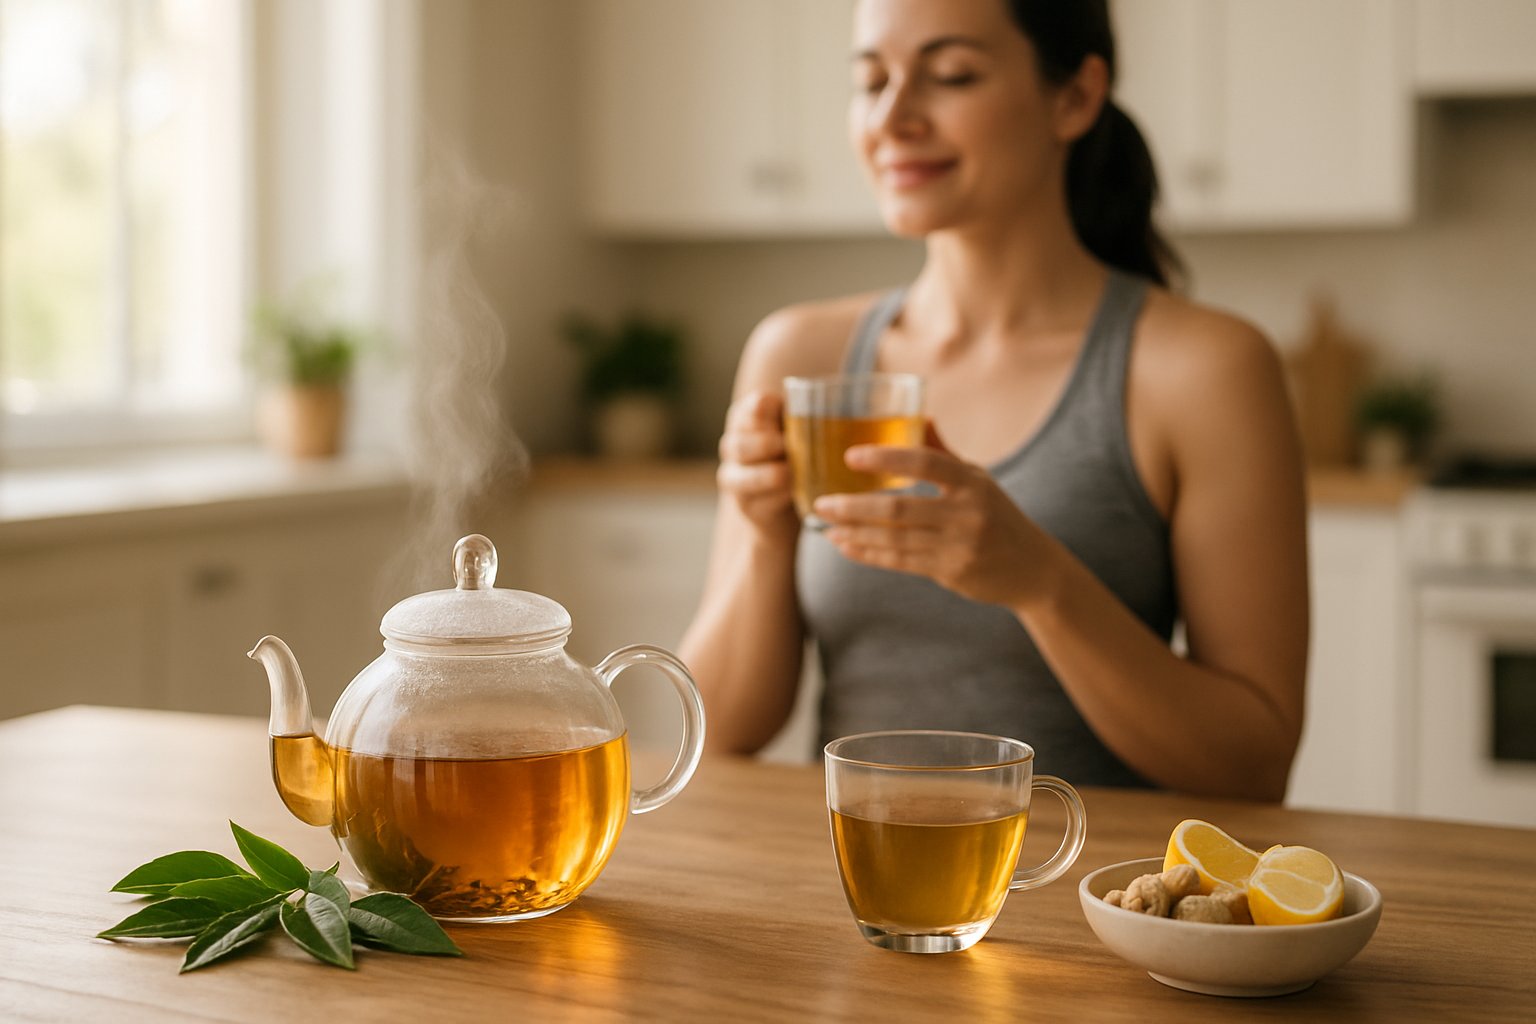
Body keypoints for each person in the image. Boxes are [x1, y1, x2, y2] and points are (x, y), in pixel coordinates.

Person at [678, 0, 1308, 801]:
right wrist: (768, 538)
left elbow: (1255, 765)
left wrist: (1042, 583)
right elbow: (721, 730)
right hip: (858, 895)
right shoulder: (801, 358)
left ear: (1075, 97)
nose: (891, 117)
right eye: (870, 80)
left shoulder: (1204, 370)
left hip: (1098, 903)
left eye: (951, 76)